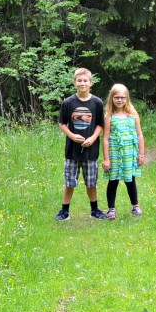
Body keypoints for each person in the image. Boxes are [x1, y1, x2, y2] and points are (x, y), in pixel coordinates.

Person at [56, 68, 107, 221]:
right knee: (70, 182)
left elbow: (100, 124)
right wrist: (72, 136)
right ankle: (64, 211)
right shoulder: (68, 102)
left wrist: (92, 138)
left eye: (85, 81)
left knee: (91, 182)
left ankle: (94, 210)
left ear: (91, 83)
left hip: (91, 150)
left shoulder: (97, 102)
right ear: (74, 82)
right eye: (79, 81)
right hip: (72, 151)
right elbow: (62, 123)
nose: (82, 83)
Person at [101, 83, 145, 219]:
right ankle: (111, 209)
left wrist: (141, 154)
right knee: (112, 181)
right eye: (116, 97)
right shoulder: (109, 117)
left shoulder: (133, 115)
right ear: (111, 98)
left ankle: (135, 206)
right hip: (115, 154)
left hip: (129, 154)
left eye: (123, 97)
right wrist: (107, 159)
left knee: (130, 180)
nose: (120, 100)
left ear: (127, 98)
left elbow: (139, 135)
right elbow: (106, 139)